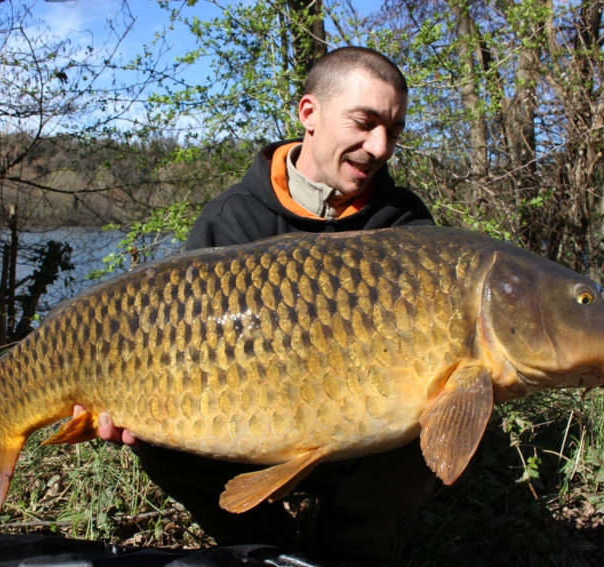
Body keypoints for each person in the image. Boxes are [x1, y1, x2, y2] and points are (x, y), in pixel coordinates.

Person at [94, 46, 436, 559]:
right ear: (309, 114)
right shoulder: (234, 218)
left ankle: (346, 546)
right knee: (155, 436)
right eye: (364, 123)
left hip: (364, 440)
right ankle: (260, 544)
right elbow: (179, 339)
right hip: (247, 430)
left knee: (431, 420)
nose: (380, 146)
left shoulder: (403, 223)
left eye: (394, 130)